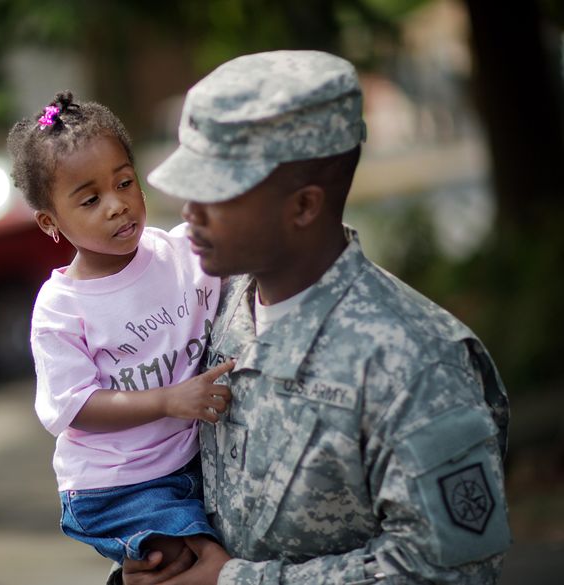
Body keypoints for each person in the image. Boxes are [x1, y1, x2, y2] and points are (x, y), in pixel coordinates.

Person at [113, 50, 511, 584]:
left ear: (303, 206)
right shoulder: (213, 308)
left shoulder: (418, 360)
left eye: (218, 193)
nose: (189, 210)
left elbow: (448, 571)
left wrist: (233, 581)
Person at [7, 91, 235, 568]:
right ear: (50, 222)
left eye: (125, 182)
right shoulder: (62, 308)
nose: (117, 206)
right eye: (90, 199)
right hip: (117, 485)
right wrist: (167, 400)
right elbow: (76, 405)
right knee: (200, 561)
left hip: (187, 461)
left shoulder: (180, 254)